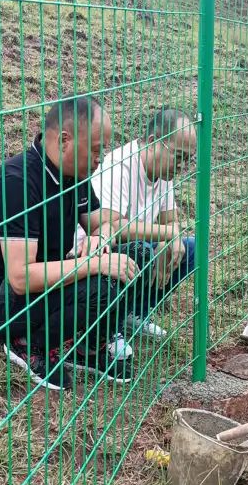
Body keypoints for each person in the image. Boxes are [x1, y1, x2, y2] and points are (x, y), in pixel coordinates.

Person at [0, 95, 140, 391]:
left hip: (46, 280)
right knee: (104, 280)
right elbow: (19, 278)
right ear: (65, 140)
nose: (102, 157)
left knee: (135, 256)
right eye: (97, 149)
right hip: (1, 300)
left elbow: (104, 222)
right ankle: (24, 343)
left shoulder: (75, 174)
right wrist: (93, 263)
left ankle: (87, 346)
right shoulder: (15, 183)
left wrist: (99, 238)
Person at [74, 106, 198, 338]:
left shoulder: (164, 172)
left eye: (187, 159)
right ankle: (110, 328)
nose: (182, 165)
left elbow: (171, 221)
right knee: (139, 251)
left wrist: (169, 239)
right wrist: (166, 235)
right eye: (179, 156)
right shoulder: (118, 166)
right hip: (95, 253)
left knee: (190, 249)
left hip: (139, 250)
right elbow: (110, 227)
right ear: (153, 141)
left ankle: (136, 314)